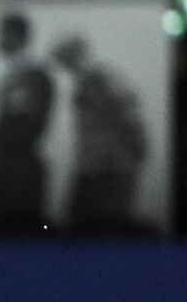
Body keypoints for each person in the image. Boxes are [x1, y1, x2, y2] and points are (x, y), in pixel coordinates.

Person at [49, 36, 148, 236]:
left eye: (67, 58)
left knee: (104, 225)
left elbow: (128, 112)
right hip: (94, 165)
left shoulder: (101, 78)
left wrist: (132, 151)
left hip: (110, 167)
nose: (65, 65)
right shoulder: (86, 82)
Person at [0, 12, 55, 237]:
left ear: (17, 36)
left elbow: (32, 126)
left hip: (20, 173)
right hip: (5, 169)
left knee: (18, 233)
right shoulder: (13, 77)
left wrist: (0, 140)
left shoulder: (34, 77)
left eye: (3, 34)